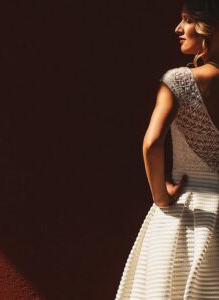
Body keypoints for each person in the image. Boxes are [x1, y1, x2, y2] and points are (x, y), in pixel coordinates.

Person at [115, 0, 219, 299]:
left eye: (186, 19)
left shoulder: (180, 81)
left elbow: (152, 142)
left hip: (188, 215)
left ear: (208, 27)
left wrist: (161, 196)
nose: (178, 28)